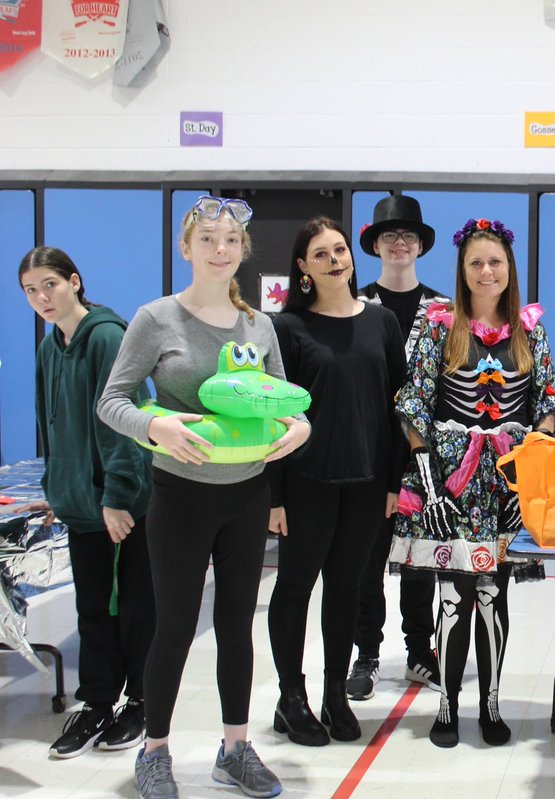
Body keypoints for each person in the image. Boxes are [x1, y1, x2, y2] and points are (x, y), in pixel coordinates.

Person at [97, 195, 310, 799]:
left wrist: (302, 430)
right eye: (208, 239)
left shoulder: (258, 325)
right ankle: (155, 751)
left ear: (244, 249)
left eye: (231, 240)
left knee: (237, 624)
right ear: (186, 248)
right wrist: (154, 426)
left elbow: (284, 401)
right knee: (174, 627)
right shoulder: (156, 319)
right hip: (180, 496)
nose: (221, 250)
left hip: (246, 495)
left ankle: (235, 749)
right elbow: (111, 401)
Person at [391, 217, 555, 749]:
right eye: (476, 262)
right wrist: (428, 483)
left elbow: (549, 401)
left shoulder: (530, 329)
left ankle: (489, 704)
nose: (487, 271)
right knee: (453, 594)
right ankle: (446, 705)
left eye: (496, 262)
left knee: (493, 593)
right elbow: (413, 400)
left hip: (508, 479)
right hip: (448, 477)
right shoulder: (438, 324)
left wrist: (531, 469)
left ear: (510, 269)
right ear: (462, 271)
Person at [267, 217, 406, 746]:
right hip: (306, 481)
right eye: (320, 254)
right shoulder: (287, 329)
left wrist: (394, 482)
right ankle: (291, 697)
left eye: (340, 250)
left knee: (346, 589)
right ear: (303, 267)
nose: (334, 260)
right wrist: (273, 495)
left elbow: (399, 407)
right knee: (296, 588)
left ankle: (333, 694)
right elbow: (273, 418)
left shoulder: (381, 321)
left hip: (368, 481)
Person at [16, 247, 156, 758]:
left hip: (123, 505)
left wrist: (116, 497)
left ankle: (141, 702)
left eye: (49, 284)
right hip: (81, 507)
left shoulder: (107, 337)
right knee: (93, 609)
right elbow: (53, 429)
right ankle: (97, 703)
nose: (41, 298)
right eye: (30, 290)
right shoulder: (50, 347)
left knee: (135, 607)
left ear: (74, 282)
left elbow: (123, 425)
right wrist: (62, 487)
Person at [348, 194, 449, 701]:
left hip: (421, 455)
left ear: (421, 246)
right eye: (390, 235)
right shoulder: (356, 305)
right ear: (375, 245)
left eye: (408, 235)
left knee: (419, 560)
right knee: (366, 560)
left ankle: (419, 650)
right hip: (367, 452)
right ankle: (366, 652)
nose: (400, 242)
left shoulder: (443, 311)